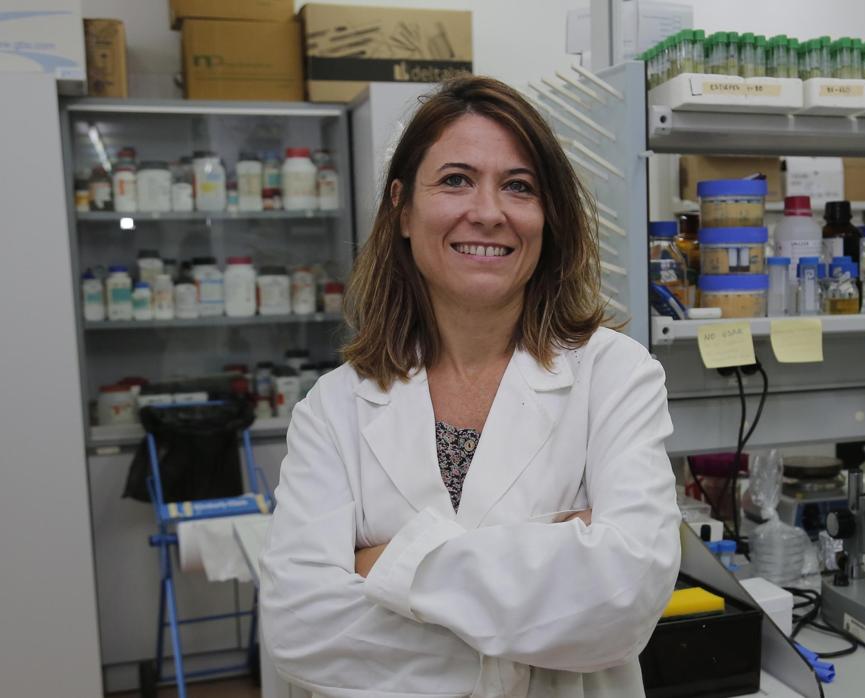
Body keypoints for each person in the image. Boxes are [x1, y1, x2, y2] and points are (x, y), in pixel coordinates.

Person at [260, 76, 682, 697]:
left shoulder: (616, 375)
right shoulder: (334, 407)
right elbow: (301, 629)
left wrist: (380, 565)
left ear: (547, 216)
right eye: (456, 179)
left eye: (518, 186)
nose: (488, 211)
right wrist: (543, 603)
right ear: (403, 209)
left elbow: (623, 601)